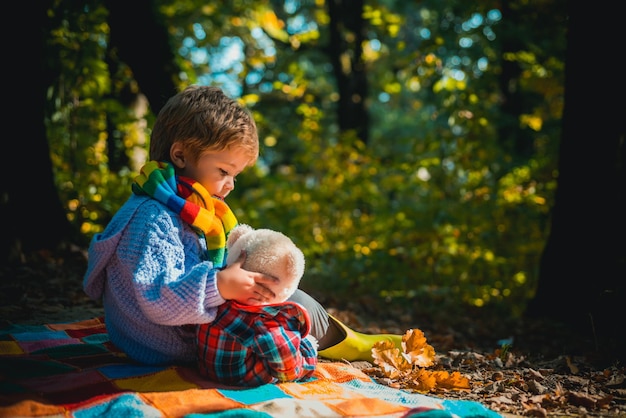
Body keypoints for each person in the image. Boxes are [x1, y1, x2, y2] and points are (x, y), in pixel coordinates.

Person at [83, 84, 402, 369]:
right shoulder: (152, 216)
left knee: (275, 288)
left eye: (235, 175)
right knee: (290, 304)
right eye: (223, 170)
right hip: (166, 343)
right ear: (180, 154)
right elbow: (157, 297)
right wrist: (220, 285)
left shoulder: (188, 209)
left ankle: (347, 339)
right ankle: (345, 345)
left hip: (180, 329)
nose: (230, 184)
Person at [196, 224, 317, 386]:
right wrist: (309, 355)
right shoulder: (263, 322)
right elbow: (288, 368)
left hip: (204, 367)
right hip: (240, 378)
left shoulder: (216, 293)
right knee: (295, 345)